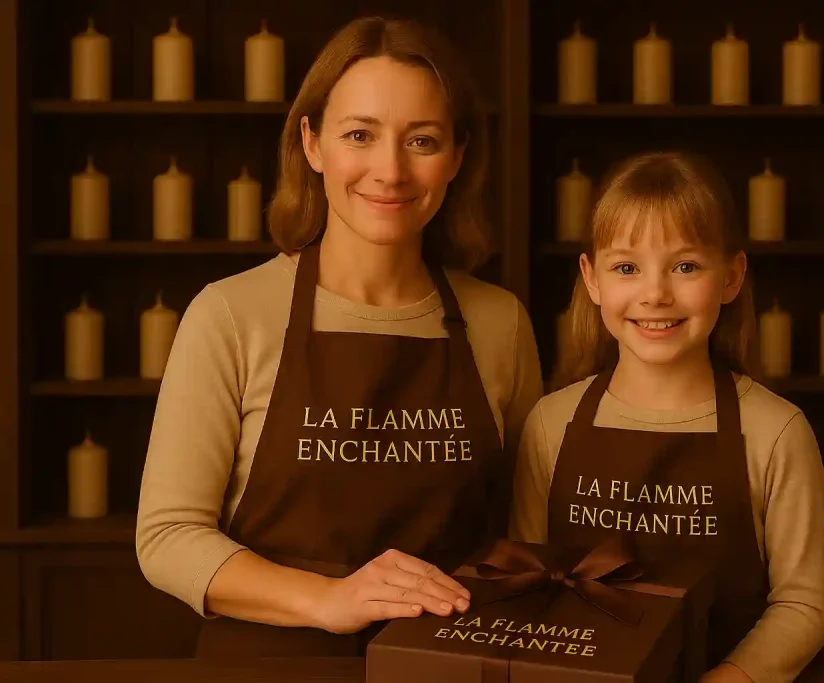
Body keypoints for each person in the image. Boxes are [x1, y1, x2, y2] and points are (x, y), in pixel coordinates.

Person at [136, 16, 543, 657]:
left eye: (423, 140)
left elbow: (526, 539)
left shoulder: (501, 323)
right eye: (360, 135)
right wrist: (330, 600)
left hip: (451, 667)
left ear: (459, 155)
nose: (390, 170)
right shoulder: (231, 315)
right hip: (269, 668)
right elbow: (168, 538)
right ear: (313, 143)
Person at [508, 151, 824, 682]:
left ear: (731, 277)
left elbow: (805, 606)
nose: (656, 294)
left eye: (685, 266)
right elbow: (525, 584)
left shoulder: (777, 432)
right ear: (592, 280)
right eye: (626, 268)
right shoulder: (550, 423)